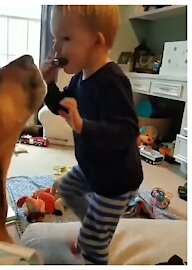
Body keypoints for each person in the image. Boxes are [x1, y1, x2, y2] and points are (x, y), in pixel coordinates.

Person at [41, 5, 143, 265]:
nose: (56, 49)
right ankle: (97, 227)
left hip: (116, 180)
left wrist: (84, 126)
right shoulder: (81, 79)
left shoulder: (112, 81)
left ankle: (95, 244)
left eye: (65, 39)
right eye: (55, 39)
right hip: (92, 168)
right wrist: (49, 85)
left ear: (96, 42)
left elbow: (126, 131)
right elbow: (64, 107)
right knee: (66, 188)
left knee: (93, 242)